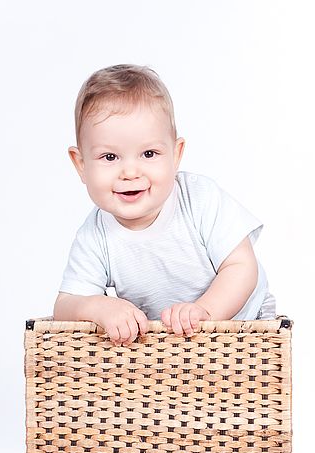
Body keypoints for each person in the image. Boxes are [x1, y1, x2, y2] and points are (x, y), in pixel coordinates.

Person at [54, 64, 276, 345]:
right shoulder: (95, 234)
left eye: (149, 153)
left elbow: (242, 267)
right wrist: (98, 307)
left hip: (243, 325)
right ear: (81, 165)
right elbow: (65, 304)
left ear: (176, 155)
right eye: (110, 157)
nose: (130, 172)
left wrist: (205, 311)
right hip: (168, 348)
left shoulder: (199, 198)